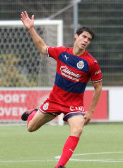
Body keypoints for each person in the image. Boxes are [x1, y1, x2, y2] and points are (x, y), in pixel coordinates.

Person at [20, 11, 102, 168]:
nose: (86, 41)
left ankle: (60, 166)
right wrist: (31, 28)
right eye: (84, 37)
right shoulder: (62, 52)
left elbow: (98, 88)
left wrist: (90, 111)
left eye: (89, 39)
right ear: (76, 36)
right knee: (31, 128)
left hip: (74, 105)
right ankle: (33, 113)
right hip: (54, 101)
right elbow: (43, 48)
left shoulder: (91, 63)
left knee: (78, 129)